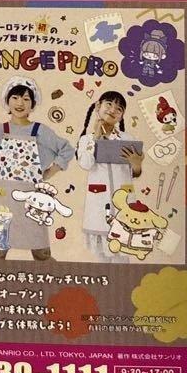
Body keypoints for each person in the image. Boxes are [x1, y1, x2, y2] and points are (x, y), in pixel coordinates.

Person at [0, 77, 74, 260]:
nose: (20, 103)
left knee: (41, 252)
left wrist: (51, 171)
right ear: (7, 102)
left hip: (33, 201)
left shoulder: (40, 130)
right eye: (15, 97)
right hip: (4, 198)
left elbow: (67, 149)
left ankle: (51, 278)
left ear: (33, 104)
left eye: (26, 99)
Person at [76, 90, 145, 260]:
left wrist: (136, 164)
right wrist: (96, 137)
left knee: (123, 257)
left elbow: (135, 173)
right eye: (109, 104)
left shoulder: (128, 139)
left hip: (124, 204)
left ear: (121, 116)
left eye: (119, 108)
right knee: (102, 258)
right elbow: (85, 164)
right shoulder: (86, 140)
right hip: (99, 204)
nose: (113, 110)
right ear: (98, 106)